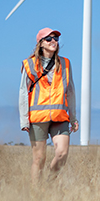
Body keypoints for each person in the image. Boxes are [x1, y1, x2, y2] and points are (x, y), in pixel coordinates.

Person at [19, 28, 78, 183]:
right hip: (38, 117)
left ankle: (49, 182)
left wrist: (73, 118)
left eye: (56, 39)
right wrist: (24, 120)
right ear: (41, 43)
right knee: (39, 158)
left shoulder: (65, 63)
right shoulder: (29, 64)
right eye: (49, 39)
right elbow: (23, 93)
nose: (54, 42)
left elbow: (70, 91)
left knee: (62, 153)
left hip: (60, 116)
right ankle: (36, 194)